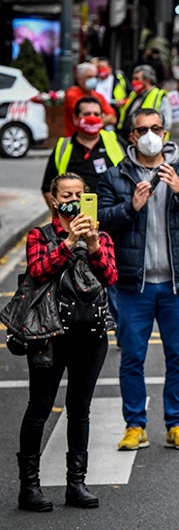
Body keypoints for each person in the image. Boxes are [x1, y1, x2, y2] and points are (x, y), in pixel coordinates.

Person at [97, 109, 179, 451]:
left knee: (177, 355)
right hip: (133, 284)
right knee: (132, 356)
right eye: (142, 129)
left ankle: (176, 424)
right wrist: (130, 208)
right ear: (132, 137)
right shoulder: (115, 177)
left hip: (175, 284)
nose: (150, 134)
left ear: (164, 134)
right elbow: (102, 221)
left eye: (156, 128)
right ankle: (135, 424)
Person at [17, 172, 117, 512]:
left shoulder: (100, 236)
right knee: (39, 407)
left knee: (80, 409)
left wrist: (91, 244)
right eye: (66, 195)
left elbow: (111, 277)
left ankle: (77, 483)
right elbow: (38, 270)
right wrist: (68, 242)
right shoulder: (39, 235)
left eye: (79, 194)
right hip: (48, 334)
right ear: (54, 200)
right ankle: (29, 487)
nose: (73, 199)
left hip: (89, 334)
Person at [42, 96, 126, 206]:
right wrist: (61, 216)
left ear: (102, 117)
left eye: (96, 114)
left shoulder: (116, 141)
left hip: (112, 216)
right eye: (87, 114)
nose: (92, 118)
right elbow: (47, 188)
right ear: (75, 119)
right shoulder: (63, 147)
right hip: (75, 219)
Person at [62, 62, 117, 136]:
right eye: (89, 77)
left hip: (96, 140)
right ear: (79, 79)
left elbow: (113, 118)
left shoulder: (98, 95)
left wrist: (93, 122)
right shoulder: (71, 94)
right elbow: (82, 118)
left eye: (95, 76)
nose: (93, 80)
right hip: (75, 138)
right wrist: (102, 118)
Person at [118, 66, 171, 138]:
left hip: (149, 141)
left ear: (147, 80)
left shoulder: (160, 96)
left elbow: (167, 123)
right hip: (129, 138)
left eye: (137, 79)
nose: (133, 82)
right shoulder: (134, 94)